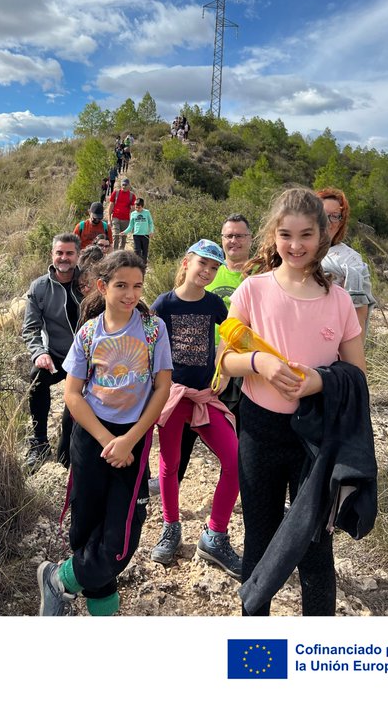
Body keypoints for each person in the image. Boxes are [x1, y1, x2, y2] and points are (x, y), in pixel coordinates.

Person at [220, 188, 366, 615]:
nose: (296, 245)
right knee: (259, 537)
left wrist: (318, 381)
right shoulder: (253, 290)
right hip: (260, 431)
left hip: (316, 440)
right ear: (273, 236)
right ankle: (255, 655)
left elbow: (356, 374)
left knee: (315, 547)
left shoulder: (339, 299)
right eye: (286, 235)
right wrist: (258, 362)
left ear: (323, 235)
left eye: (306, 235)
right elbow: (224, 362)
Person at [36, 250, 173, 617]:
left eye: (137, 286)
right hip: (92, 439)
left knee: (120, 540)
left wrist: (128, 440)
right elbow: (72, 394)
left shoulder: (153, 329)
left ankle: (60, 578)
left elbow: (162, 388)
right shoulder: (88, 333)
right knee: (86, 531)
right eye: (121, 285)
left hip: (134, 439)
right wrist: (105, 440)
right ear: (103, 286)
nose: (131, 294)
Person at [148, 240, 242, 577]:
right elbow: (148, 345)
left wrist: (222, 365)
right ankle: (171, 527)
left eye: (215, 267)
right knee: (170, 464)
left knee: (235, 460)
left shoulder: (216, 304)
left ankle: (215, 534)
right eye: (203, 263)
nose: (208, 271)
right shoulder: (164, 304)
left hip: (204, 397)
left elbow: (233, 335)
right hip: (173, 398)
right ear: (187, 262)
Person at [22, 233, 84, 465]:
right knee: (37, 378)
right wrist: (40, 352)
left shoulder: (88, 283)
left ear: (78, 255)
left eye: (69, 253)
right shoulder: (39, 287)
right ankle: (39, 442)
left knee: (66, 455)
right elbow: (30, 327)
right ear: (52, 255)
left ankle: (68, 447)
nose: (64, 258)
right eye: (60, 253)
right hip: (57, 355)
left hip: (86, 360)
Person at [316, 188, 376, 335]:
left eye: (334, 216)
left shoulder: (350, 259)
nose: (327, 222)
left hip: (331, 337)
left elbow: (359, 314)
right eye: (322, 215)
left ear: (341, 222)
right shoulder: (295, 252)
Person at [108, 176, 136, 251]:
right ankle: (114, 253)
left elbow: (133, 209)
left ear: (129, 185)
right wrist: (109, 219)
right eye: (123, 185)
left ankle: (121, 252)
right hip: (115, 217)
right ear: (121, 185)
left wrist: (133, 221)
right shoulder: (116, 193)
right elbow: (111, 206)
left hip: (126, 219)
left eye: (126, 185)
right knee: (116, 235)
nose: (124, 186)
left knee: (123, 237)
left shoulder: (132, 196)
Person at [128, 197, 155, 263]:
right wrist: (125, 232)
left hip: (145, 235)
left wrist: (151, 231)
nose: (137, 209)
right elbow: (131, 225)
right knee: (137, 251)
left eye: (139, 207)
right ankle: (137, 265)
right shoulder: (133, 214)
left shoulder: (147, 212)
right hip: (136, 235)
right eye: (136, 207)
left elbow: (151, 223)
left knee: (144, 252)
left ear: (142, 206)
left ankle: (143, 266)